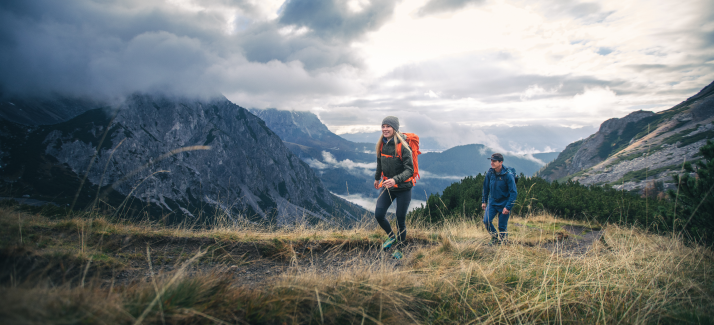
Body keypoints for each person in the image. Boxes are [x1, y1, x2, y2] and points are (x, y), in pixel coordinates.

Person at [374, 116, 414, 259]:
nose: (385, 129)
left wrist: (394, 180)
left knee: (400, 220)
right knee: (379, 214)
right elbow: (380, 162)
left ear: (394, 128)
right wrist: (377, 178)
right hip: (388, 187)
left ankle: (400, 249)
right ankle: (392, 237)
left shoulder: (403, 146)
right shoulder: (382, 144)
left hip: (403, 188)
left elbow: (410, 170)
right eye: (383, 126)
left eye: (388, 126)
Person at [481, 153, 517, 245]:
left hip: (504, 204)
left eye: (494, 161)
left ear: (501, 162)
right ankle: (494, 237)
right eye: (491, 160)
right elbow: (485, 187)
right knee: (486, 221)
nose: (492, 163)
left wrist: (508, 207)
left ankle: (504, 243)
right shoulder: (490, 173)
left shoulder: (508, 175)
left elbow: (513, 193)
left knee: (502, 226)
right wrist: (484, 201)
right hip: (492, 202)